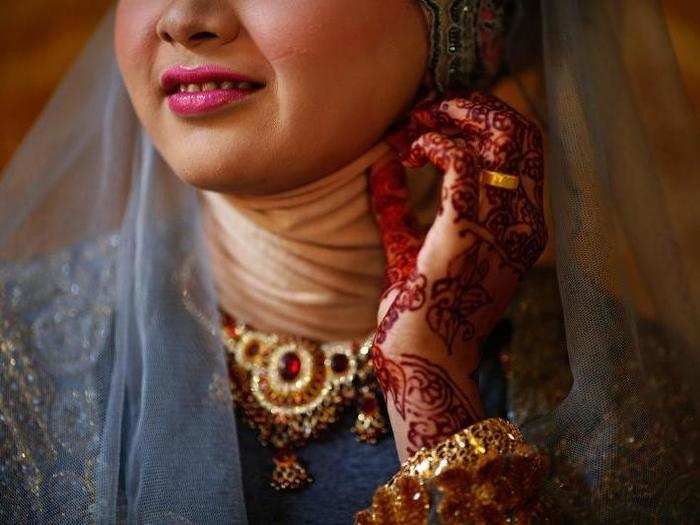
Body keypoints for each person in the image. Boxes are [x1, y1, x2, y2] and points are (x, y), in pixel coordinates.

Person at [1, 1, 698, 523]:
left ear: (456, 24)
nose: (185, 18)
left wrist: (430, 379)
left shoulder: (647, 413)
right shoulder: (18, 364)